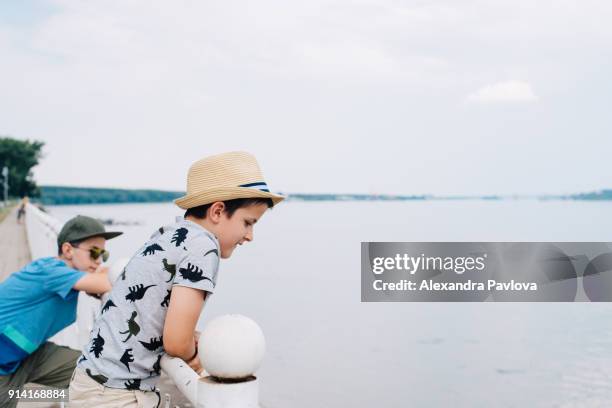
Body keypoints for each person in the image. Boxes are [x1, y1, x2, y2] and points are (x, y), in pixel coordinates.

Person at [69, 151, 284, 408]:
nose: (250, 236)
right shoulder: (203, 247)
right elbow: (176, 340)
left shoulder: (170, 233)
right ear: (217, 211)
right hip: (116, 395)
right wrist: (197, 357)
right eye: (248, 222)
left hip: (92, 381)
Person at [0, 215, 122, 408]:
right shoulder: (50, 271)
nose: (99, 261)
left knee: (96, 372)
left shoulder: (70, 278)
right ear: (67, 250)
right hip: (4, 364)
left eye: (103, 256)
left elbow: (99, 282)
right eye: (94, 252)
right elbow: (105, 282)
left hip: (27, 356)